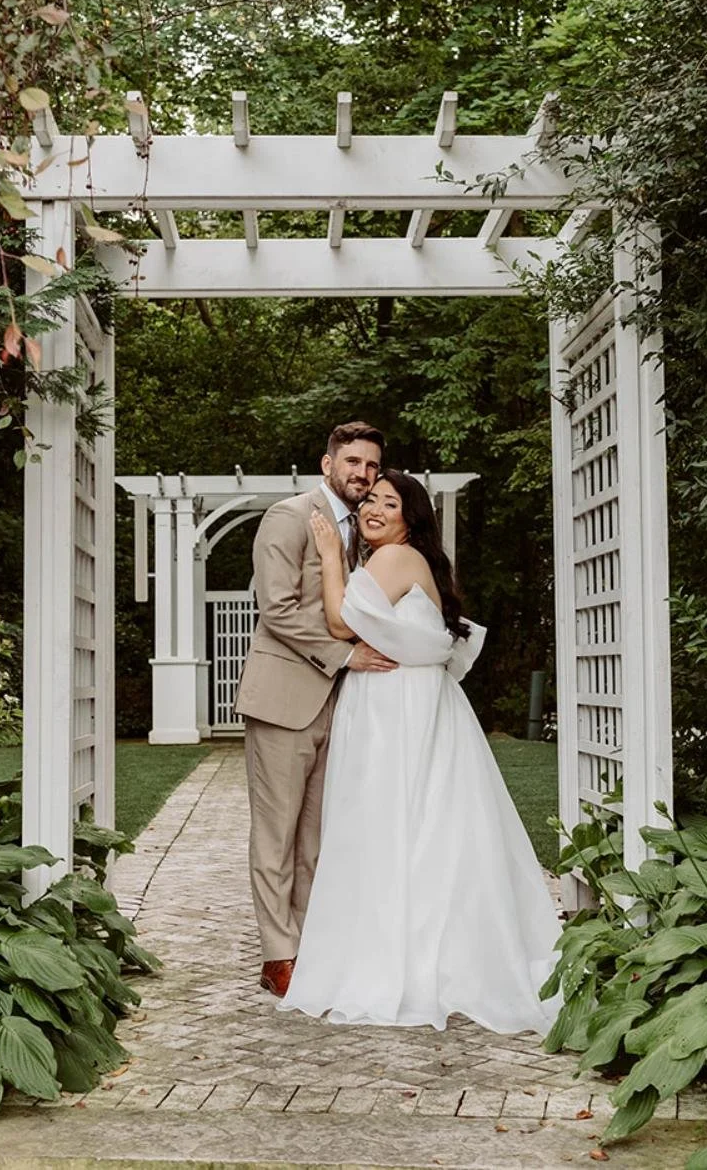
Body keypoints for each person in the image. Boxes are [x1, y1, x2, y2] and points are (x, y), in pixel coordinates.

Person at [277, 469, 564, 1034]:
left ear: (411, 517)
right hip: (398, 701)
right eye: (370, 501)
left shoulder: (393, 560)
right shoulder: (399, 561)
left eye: (390, 502)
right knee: (418, 827)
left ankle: (406, 963)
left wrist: (332, 554)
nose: (374, 509)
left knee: (394, 825)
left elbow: (339, 621)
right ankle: (416, 952)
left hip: (399, 709)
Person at [234, 422, 398, 999]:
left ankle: (312, 944)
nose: (362, 473)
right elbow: (276, 608)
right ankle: (279, 956)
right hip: (285, 700)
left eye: (372, 466)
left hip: (344, 705)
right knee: (275, 837)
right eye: (352, 461)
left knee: (318, 838)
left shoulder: (367, 530)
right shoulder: (288, 517)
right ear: (327, 464)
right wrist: (346, 654)